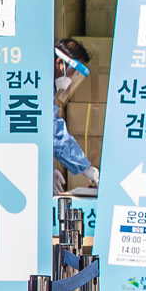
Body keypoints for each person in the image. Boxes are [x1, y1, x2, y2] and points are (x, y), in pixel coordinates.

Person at [54, 39, 99, 191]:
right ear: (60, 63)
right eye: (74, 72)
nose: (72, 79)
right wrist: (86, 169)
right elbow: (55, 134)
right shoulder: (38, 86)